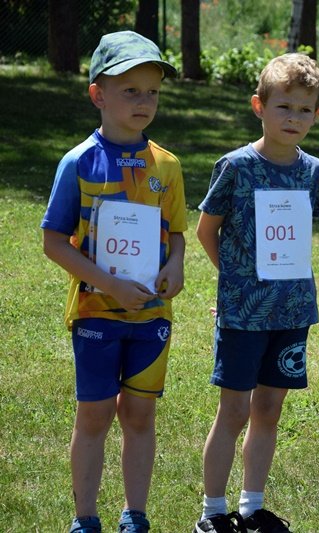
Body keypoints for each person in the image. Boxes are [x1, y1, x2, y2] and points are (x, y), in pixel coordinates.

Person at [40, 31, 184, 533]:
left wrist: (177, 265)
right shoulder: (78, 163)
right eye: (131, 91)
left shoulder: (167, 165)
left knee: (140, 416)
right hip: (96, 315)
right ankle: (85, 519)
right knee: (95, 416)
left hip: (151, 318)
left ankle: (136, 515)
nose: (145, 101)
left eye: (153, 92)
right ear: (98, 94)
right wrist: (108, 284)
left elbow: (178, 235)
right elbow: (53, 241)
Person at [193, 53, 319, 533]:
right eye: (284, 107)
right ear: (260, 106)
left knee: (269, 410)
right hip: (243, 316)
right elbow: (206, 230)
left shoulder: (314, 172)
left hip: (292, 312)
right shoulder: (234, 166)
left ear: (317, 114)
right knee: (233, 410)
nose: (293, 118)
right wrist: (233, 281)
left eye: (304, 109)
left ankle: (251, 507)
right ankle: (213, 510)